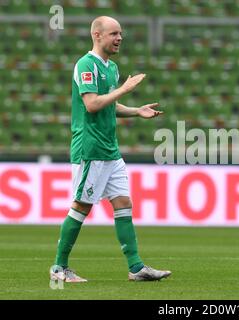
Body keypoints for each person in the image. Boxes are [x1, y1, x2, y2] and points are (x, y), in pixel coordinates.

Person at [49, 16, 171, 282]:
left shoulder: (112, 68)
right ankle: (59, 268)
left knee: (124, 203)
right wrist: (125, 89)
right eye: (114, 33)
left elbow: (109, 105)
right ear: (97, 35)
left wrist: (136, 111)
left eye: (121, 33)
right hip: (90, 149)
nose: (119, 38)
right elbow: (92, 104)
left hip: (110, 150)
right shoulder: (86, 65)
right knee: (81, 205)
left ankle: (136, 267)